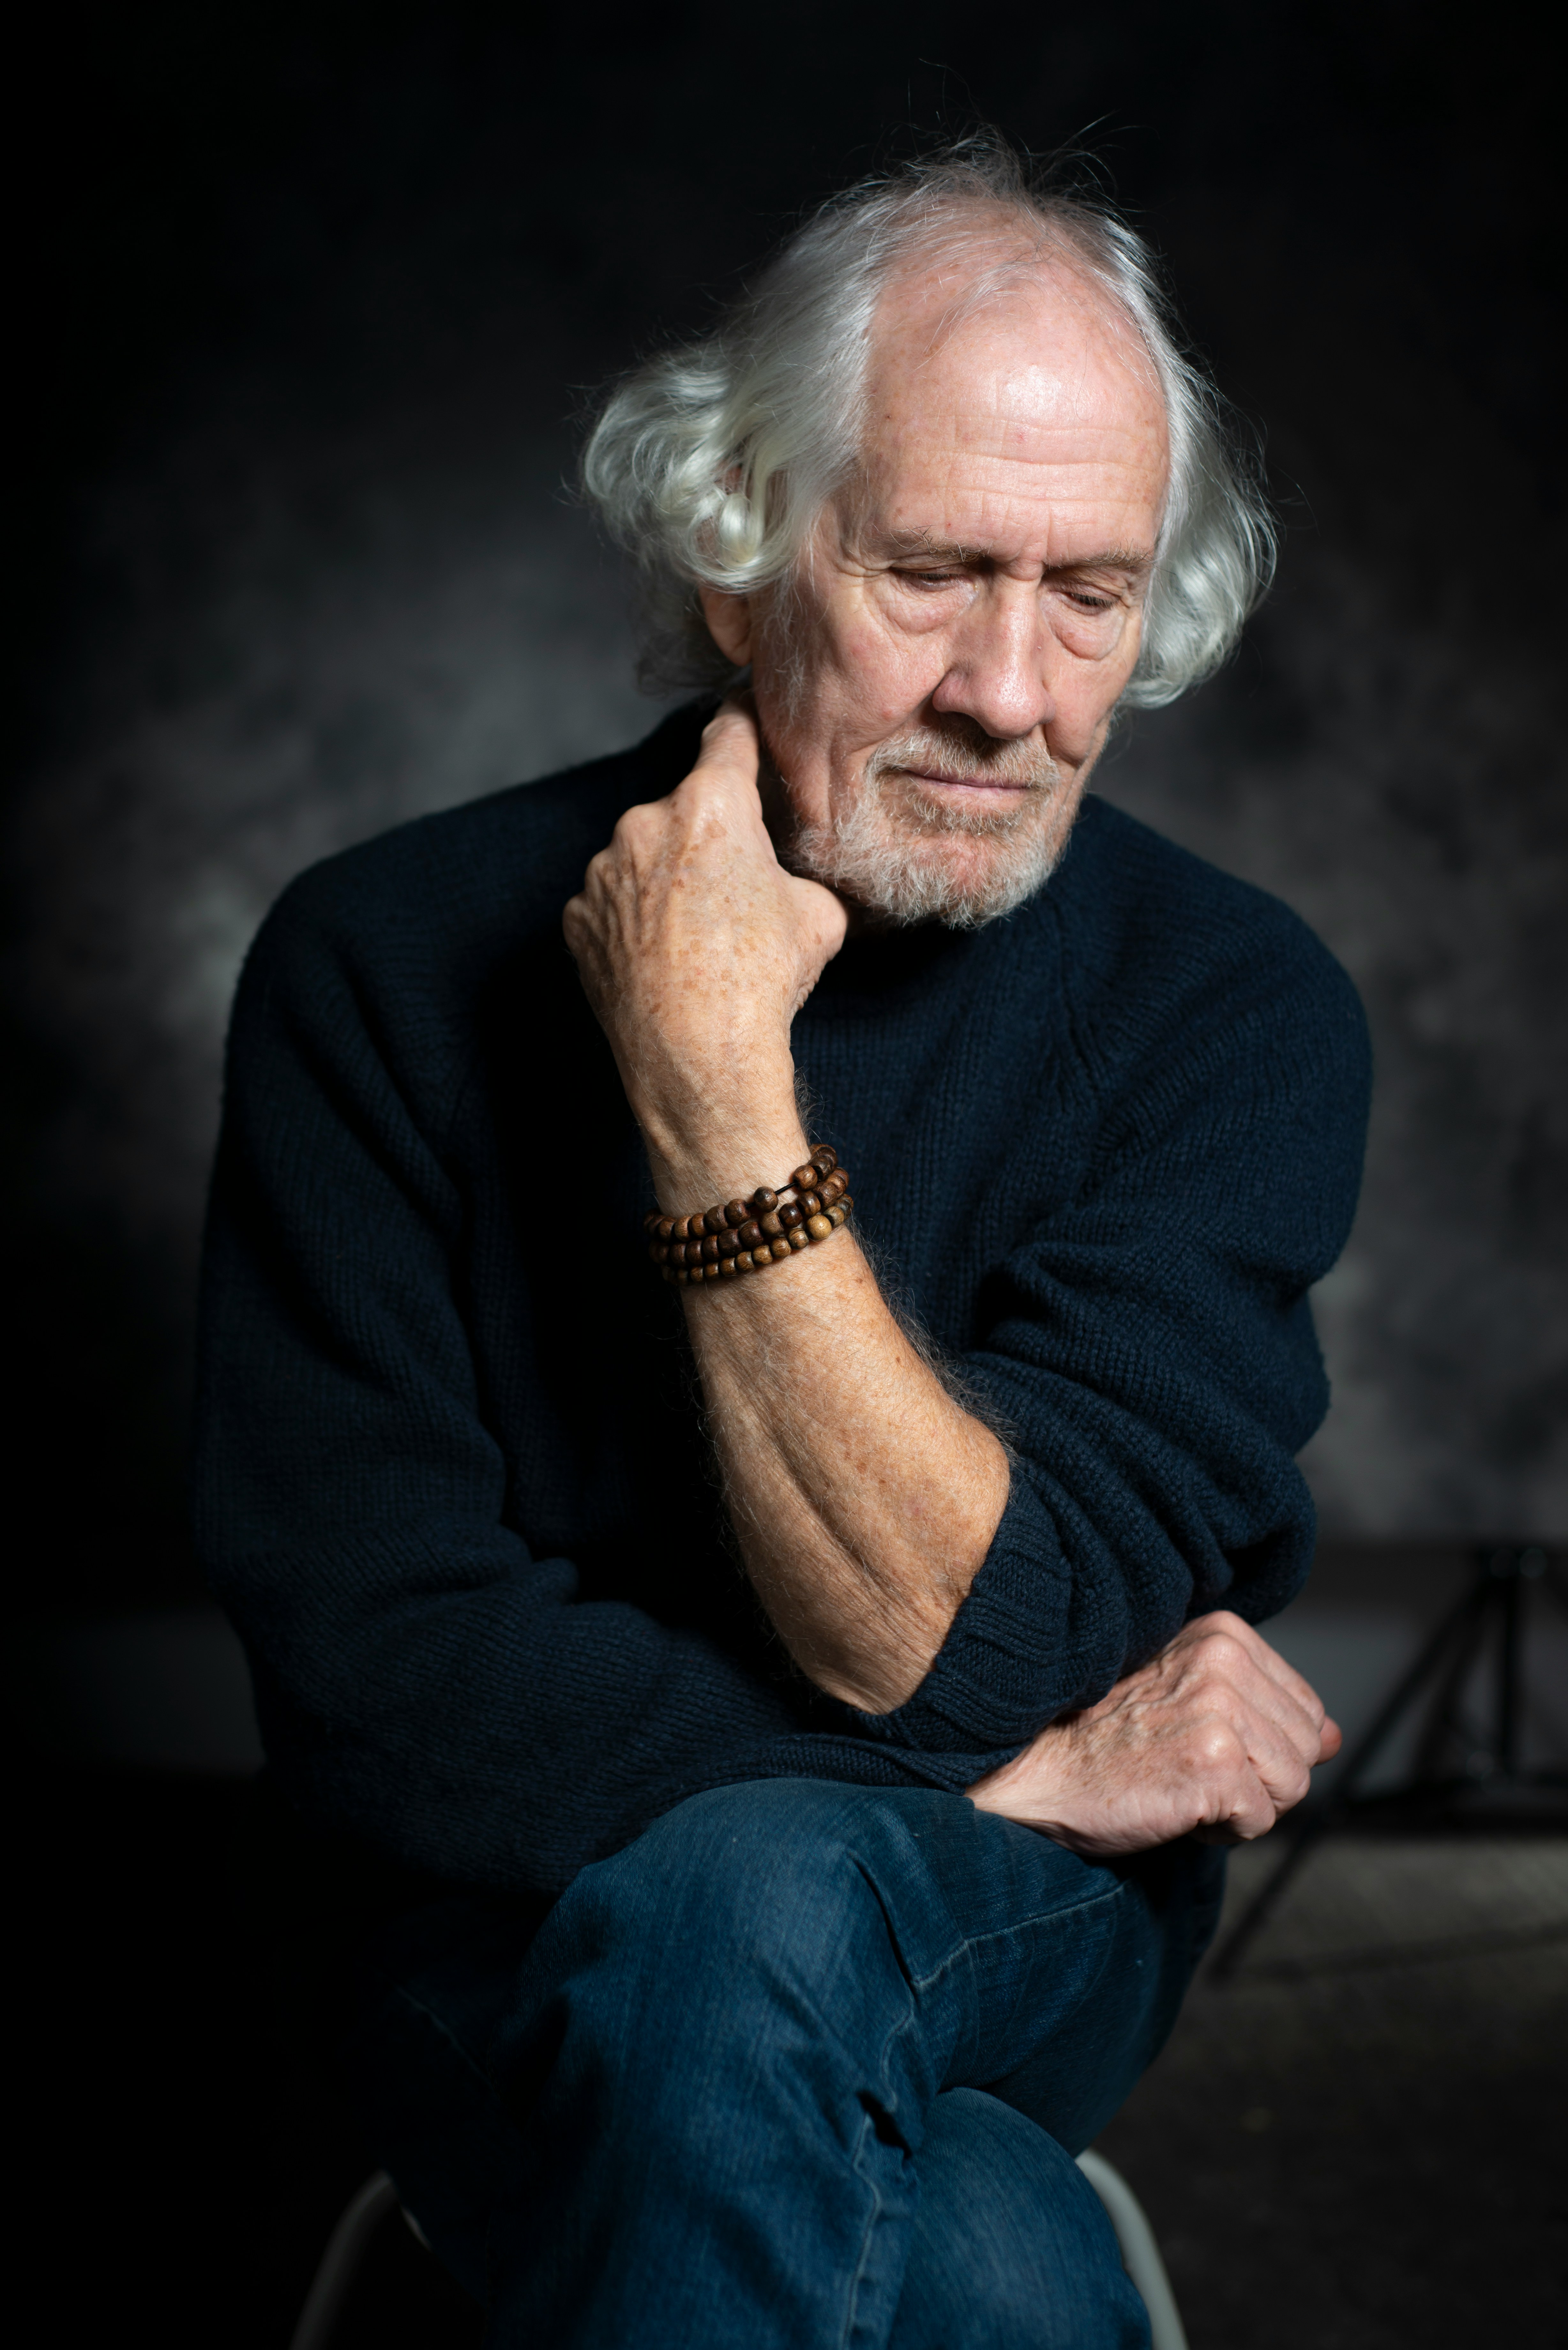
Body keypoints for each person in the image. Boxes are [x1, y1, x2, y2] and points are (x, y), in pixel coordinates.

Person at [196, 139, 1370, 2346]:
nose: (1015, 695)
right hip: (487, 1926)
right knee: (976, 2271)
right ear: (739, 554)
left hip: (1015, 1920)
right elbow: (391, 1696)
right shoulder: (377, 964)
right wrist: (1034, 1761)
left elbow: (972, 1634)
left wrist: (714, 1087)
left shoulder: (1241, 1011)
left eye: (1092, 594)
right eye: (933, 571)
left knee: (751, 1891)